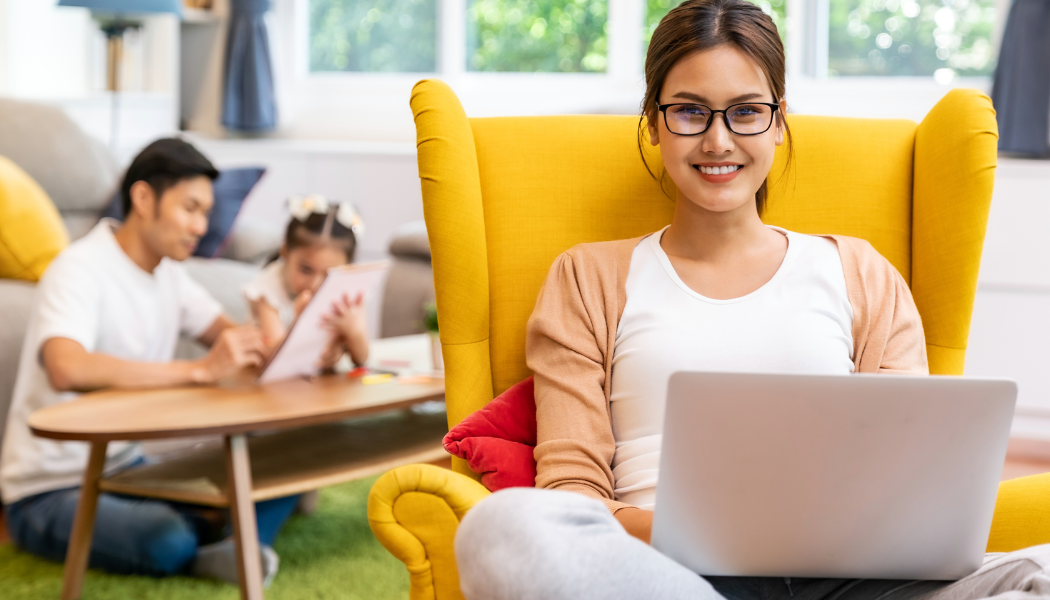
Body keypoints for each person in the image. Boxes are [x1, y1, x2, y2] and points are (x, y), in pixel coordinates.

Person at [451, 2, 1050, 599]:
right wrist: (703, 538)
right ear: (653, 123)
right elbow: (572, 496)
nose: (718, 141)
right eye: (689, 111)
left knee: (1040, 571)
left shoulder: (860, 273)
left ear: (779, 120)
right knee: (503, 527)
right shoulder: (587, 278)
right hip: (667, 574)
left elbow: (913, 485)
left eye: (746, 112)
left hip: (851, 581)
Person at [0, 138, 296, 586]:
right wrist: (197, 371)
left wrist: (306, 334)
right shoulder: (78, 268)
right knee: (166, 539)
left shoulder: (170, 275)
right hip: (49, 489)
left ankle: (223, 537)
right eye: (190, 208)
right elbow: (67, 367)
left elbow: (237, 342)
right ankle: (218, 538)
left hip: (127, 468)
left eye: (205, 212)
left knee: (289, 464)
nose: (201, 226)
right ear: (143, 198)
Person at [243, 194, 369, 368]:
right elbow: (277, 360)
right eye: (306, 269)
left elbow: (362, 359)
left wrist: (354, 332)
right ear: (285, 252)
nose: (315, 284)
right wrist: (301, 322)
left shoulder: (346, 294)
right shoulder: (268, 288)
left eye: (329, 274)